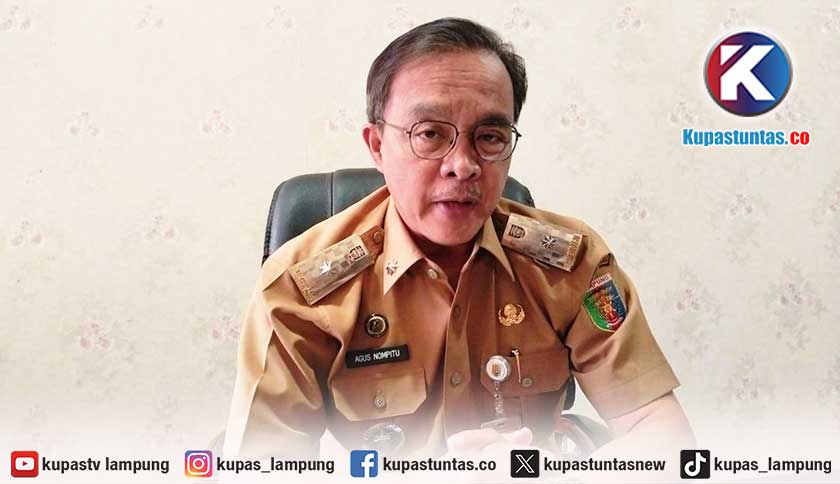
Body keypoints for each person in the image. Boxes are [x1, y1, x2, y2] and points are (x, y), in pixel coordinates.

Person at [223, 17, 693, 460]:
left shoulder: (574, 264)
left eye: (489, 137)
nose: (463, 165)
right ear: (377, 146)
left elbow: (662, 431)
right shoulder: (299, 288)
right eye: (430, 133)